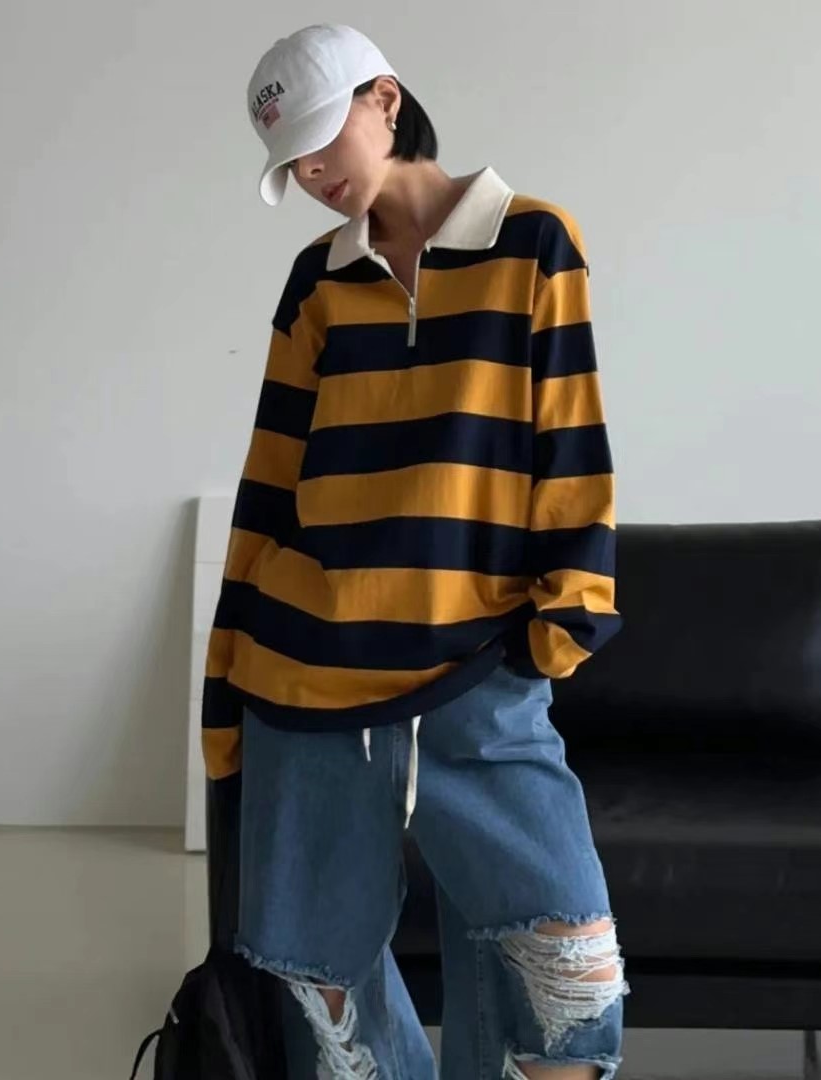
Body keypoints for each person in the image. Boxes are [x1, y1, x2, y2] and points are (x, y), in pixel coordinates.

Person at [202, 22, 629, 1080]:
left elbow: (568, 431)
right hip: (308, 675)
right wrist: (225, 677)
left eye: (320, 138)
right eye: (293, 162)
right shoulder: (317, 281)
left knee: (569, 975)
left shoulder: (533, 242)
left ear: (385, 99)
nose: (313, 173)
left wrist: (567, 613)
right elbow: (270, 480)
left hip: (478, 666)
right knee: (320, 992)